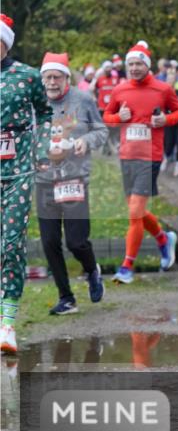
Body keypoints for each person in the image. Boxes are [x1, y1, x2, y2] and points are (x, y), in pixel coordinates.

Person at [103, 40, 178, 284]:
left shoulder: (162, 89)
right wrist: (119, 117)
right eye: (131, 64)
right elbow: (106, 116)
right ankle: (163, 238)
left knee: (135, 212)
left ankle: (127, 266)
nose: (134, 68)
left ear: (147, 65)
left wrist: (165, 121)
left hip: (151, 156)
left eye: (139, 63)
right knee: (135, 210)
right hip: (127, 155)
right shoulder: (120, 90)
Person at [35, 52, 108, 315]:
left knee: (76, 242)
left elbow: (101, 131)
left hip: (74, 180)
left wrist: (84, 141)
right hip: (44, 182)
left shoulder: (83, 100)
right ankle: (66, 297)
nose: (52, 82)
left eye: (56, 77)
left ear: (66, 78)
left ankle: (92, 271)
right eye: (47, 78)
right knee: (49, 243)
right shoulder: (35, 101)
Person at [0, 14, 53, 354]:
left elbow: (46, 113)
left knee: (10, 242)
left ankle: (7, 324)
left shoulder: (27, 76)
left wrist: (42, 148)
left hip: (18, 167)